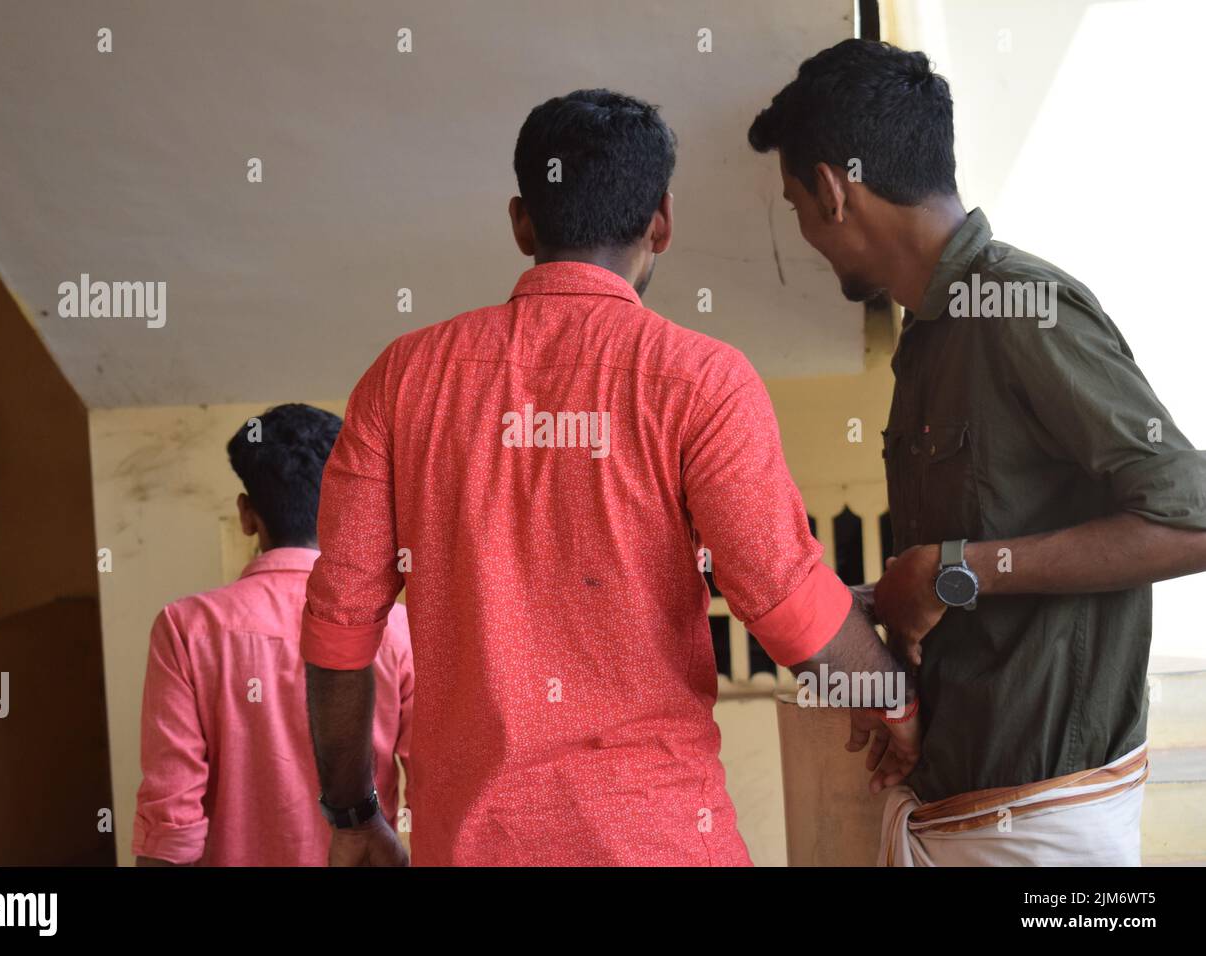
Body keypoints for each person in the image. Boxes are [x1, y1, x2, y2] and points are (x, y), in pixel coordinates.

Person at [303, 89, 915, 868]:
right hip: (657, 838)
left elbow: (339, 631)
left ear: (523, 222)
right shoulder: (700, 380)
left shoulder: (400, 381)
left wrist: (355, 813)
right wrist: (896, 700)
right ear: (662, 220)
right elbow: (785, 600)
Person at [748, 39, 1206, 865]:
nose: (806, 235)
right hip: (956, 810)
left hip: (1046, 831)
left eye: (796, 205)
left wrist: (950, 569)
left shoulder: (1021, 308)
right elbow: (976, 579)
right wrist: (881, 609)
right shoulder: (930, 336)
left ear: (831, 190)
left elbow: (1195, 518)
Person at [133, 403, 413, 866]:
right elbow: (438, 787)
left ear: (246, 515)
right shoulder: (397, 630)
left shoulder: (185, 629)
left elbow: (171, 825)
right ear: (343, 513)